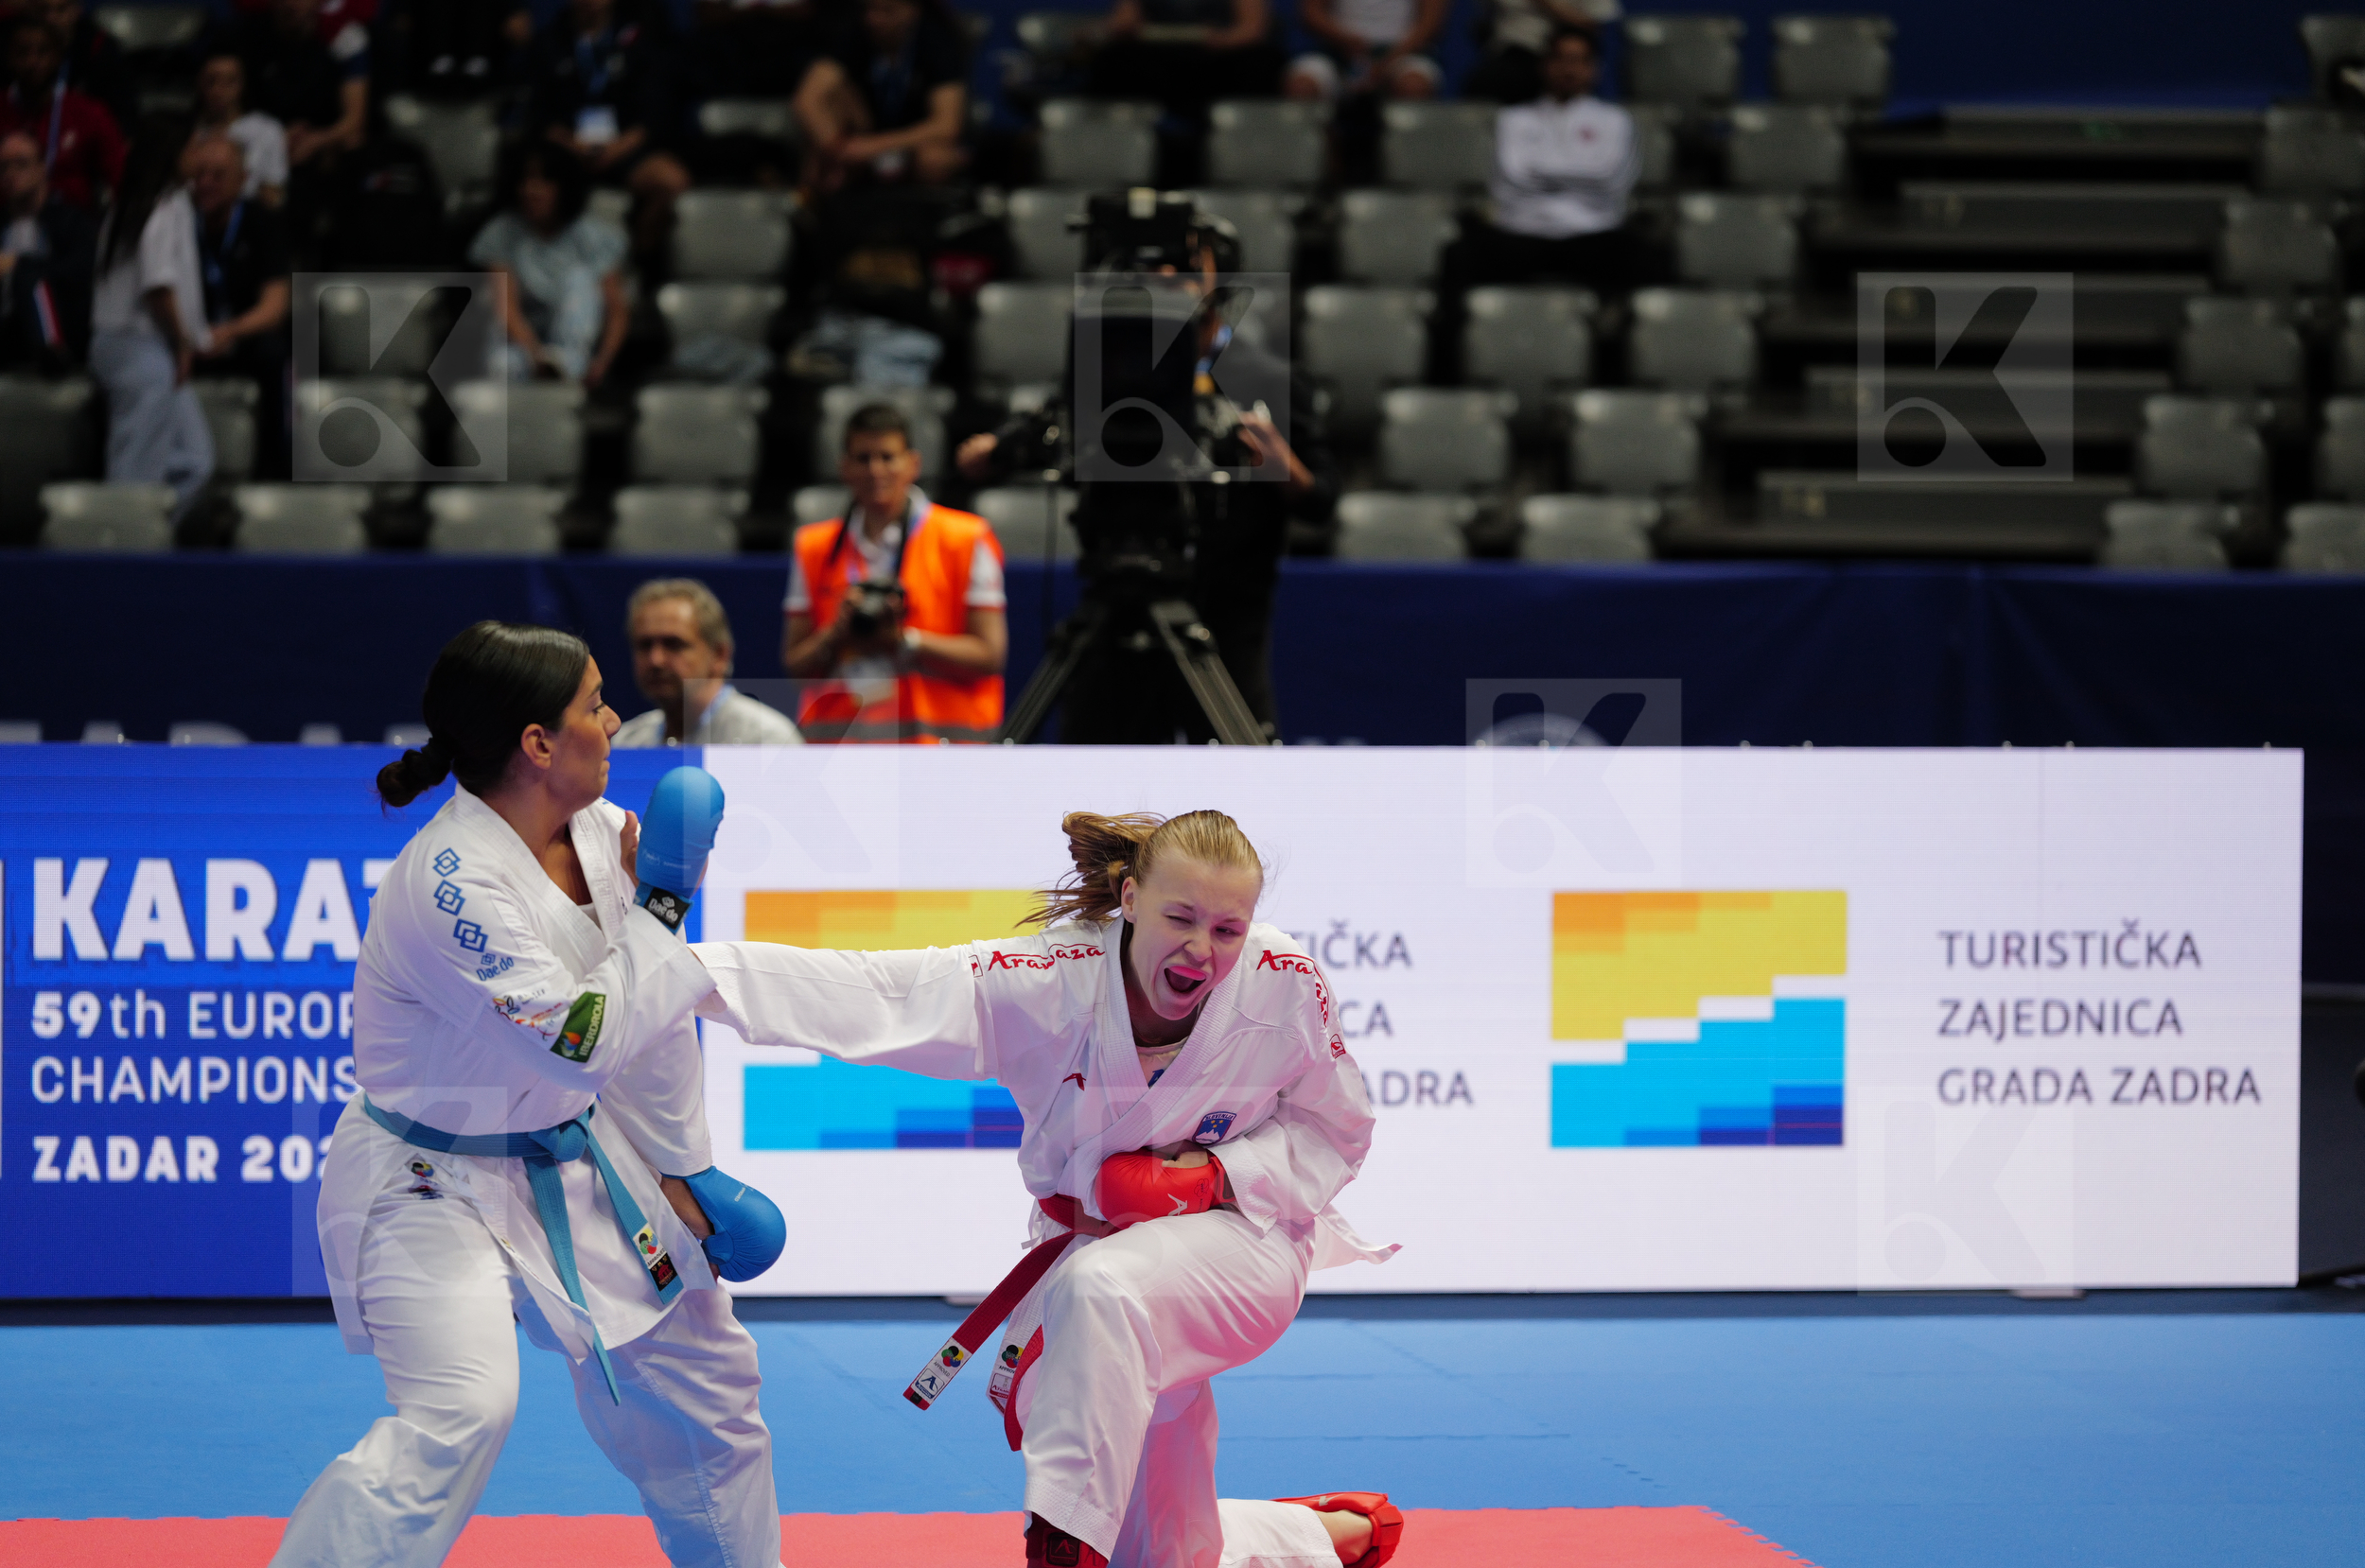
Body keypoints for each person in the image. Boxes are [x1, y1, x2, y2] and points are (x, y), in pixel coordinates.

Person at [690, 808, 1403, 1568]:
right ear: (1130, 899)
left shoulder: (1281, 982)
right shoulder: (1051, 980)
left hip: (1246, 1243)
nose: (1202, 949)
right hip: (1088, 1246)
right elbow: (878, 994)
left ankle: (1064, 1547)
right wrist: (679, 976)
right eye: (1180, 918)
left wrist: (1212, 1177)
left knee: (1103, 1293)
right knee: (1158, 1544)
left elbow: (1338, 1129)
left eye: (1228, 929)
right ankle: (1317, 1537)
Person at [272, 619, 785, 1568]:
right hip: (430, 1179)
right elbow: (581, 1044)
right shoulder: (452, 886)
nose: (615, 718)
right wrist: (662, 905)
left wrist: (686, 1168)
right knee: (462, 1410)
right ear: (539, 743)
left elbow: (652, 1014)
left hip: (576, 1155)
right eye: (595, 702)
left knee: (710, 1387)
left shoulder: (599, 832)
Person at [955, 205, 1335, 742]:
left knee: (1235, 782)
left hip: (1225, 628)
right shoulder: (1110, 366)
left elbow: (1322, 502)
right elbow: (1053, 422)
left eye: (1184, 267)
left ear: (1219, 281)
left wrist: (1283, 468)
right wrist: (998, 448)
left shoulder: (1269, 379)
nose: (1166, 278)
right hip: (1115, 617)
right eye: (1152, 269)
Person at [783, 402, 1008, 743]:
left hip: (940, 748)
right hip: (842, 748)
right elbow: (795, 666)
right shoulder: (813, 547)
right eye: (863, 458)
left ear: (913, 464)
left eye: (887, 457)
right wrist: (836, 634)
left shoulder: (966, 539)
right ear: (844, 468)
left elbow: (990, 655)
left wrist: (904, 641)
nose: (875, 470)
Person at [1438, 27, 1638, 302]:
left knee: (1643, 255)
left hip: (1592, 233)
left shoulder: (1615, 121)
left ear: (1594, 69)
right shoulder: (1513, 119)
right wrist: (1582, 175)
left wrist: (1541, 172)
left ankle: (1616, 326)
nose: (1568, 69)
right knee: (1460, 254)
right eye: (1560, 59)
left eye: (1578, 60)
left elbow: (1611, 181)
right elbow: (1513, 178)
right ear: (1545, 65)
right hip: (1522, 233)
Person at [88, 115, 213, 520]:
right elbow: (158, 286)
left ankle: (145, 536)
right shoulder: (159, 205)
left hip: (147, 348)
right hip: (138, 346)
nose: (199, 156)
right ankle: (119, 543)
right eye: (193, 148)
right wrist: (182, 342)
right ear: (172, 154)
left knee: (195, 461)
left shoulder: (155, 203)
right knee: (135, 475)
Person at [523, 0, 692, 260]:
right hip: (567, 152)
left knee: (671, 180)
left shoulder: (638, 37)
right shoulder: (549, 40)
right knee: (532, 180)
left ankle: (636, 256)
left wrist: (616, 149)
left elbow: (655, 112)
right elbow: (540, 115)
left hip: (623, 147)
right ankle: (547, 261)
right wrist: (574, 146)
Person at [467, 142, 629, 386]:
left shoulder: (593, 236)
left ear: (564, 186)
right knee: (503, 364)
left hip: (575, 352)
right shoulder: (500, 233)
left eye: (544, 181)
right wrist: (538, 358)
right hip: (520, 347)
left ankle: (568, 365)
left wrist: (602, 363)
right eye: (525, 180)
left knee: (580, 279)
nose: (531, 190)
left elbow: (616, 308)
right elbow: (505, 308)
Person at [184, 132, 290, 477]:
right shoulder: (178, 222)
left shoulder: (263, 222)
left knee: (274, 352)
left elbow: (275, 306)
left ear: (242, 180)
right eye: (199, 175)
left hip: (243, 339)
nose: (206, 184)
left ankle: (273, 471)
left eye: (218, 175)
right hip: (191, 339)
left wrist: (230, 332)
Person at [792, 0, 968, 195]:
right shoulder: (856, 33)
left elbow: (947, 125)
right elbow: (808, 98)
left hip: (911, 141)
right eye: (869, 8)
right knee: (819, 149)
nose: (875, 19)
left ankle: (923, 211)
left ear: (913, 10)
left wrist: (871, 147)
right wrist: (836, 148)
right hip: (863, 133)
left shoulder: (938, 40)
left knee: (935, 160)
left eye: (888, 10)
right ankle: (815, 207)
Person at [615, 577, 804, 747]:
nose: (656, 660)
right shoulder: (625, 743)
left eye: (674, 644)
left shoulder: (767, 742)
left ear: (719, 655)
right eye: (644, 645)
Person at [227, 0, 370, 179]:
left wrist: (315, 140)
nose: (291, 3)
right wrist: (274, 137)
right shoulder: (247, 34)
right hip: (264, 136)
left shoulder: (343, 37)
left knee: (352, 142)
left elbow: (354, 120)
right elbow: (229, 107)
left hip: (321, 137)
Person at [1089, 0, 1285, 123]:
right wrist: (1119, 27)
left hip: (1218, 62)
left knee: (1260, 62)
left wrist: (1222, 40)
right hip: (1159, 61)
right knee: (1113, 60)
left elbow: (1253, 28)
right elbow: (1124, 21)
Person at [0, 14, 123, 208]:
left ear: (58, 58)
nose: (32, 62)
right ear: (9, 58)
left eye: (42, 52)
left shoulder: (89, 113)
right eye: (23, 52)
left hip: (71, 220)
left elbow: (121, 178)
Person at [0, 126, 96, 370]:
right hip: (8, 331)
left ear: (42, 167)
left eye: (21, 164)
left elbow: (81, 270)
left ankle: (52, 351)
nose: (10, 174)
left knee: (28, 275)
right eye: (3, 167)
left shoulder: (71, 221)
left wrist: (19, 265)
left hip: (63, 325)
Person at [1285, 0, 1447, 105]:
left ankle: (1404, 150)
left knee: (1414, 86)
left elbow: (1431, 21)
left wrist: (1390, 58)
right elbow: (1311, 12)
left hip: (1404, 53)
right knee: (1302, 87)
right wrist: (1344, 40)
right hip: (1339, 50)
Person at [1462, 0, 1609, 105]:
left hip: (1566, 43)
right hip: (1514, 54)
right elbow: (1484, 17)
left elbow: (1596, 24)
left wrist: (1548, 4)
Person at [194, 51, 289, 204]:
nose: (219, 90)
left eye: (229, 81)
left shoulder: (267, 130)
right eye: (212, 81)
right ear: (200, 83)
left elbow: (275, 196)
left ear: (242, 84)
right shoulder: (189, 133)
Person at [26, 0, 134, 129]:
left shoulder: (99, 49)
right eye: (43, 10)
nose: (51, 18)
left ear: (77, 9)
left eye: (61, 10)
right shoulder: (19, 50)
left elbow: (124, 116)